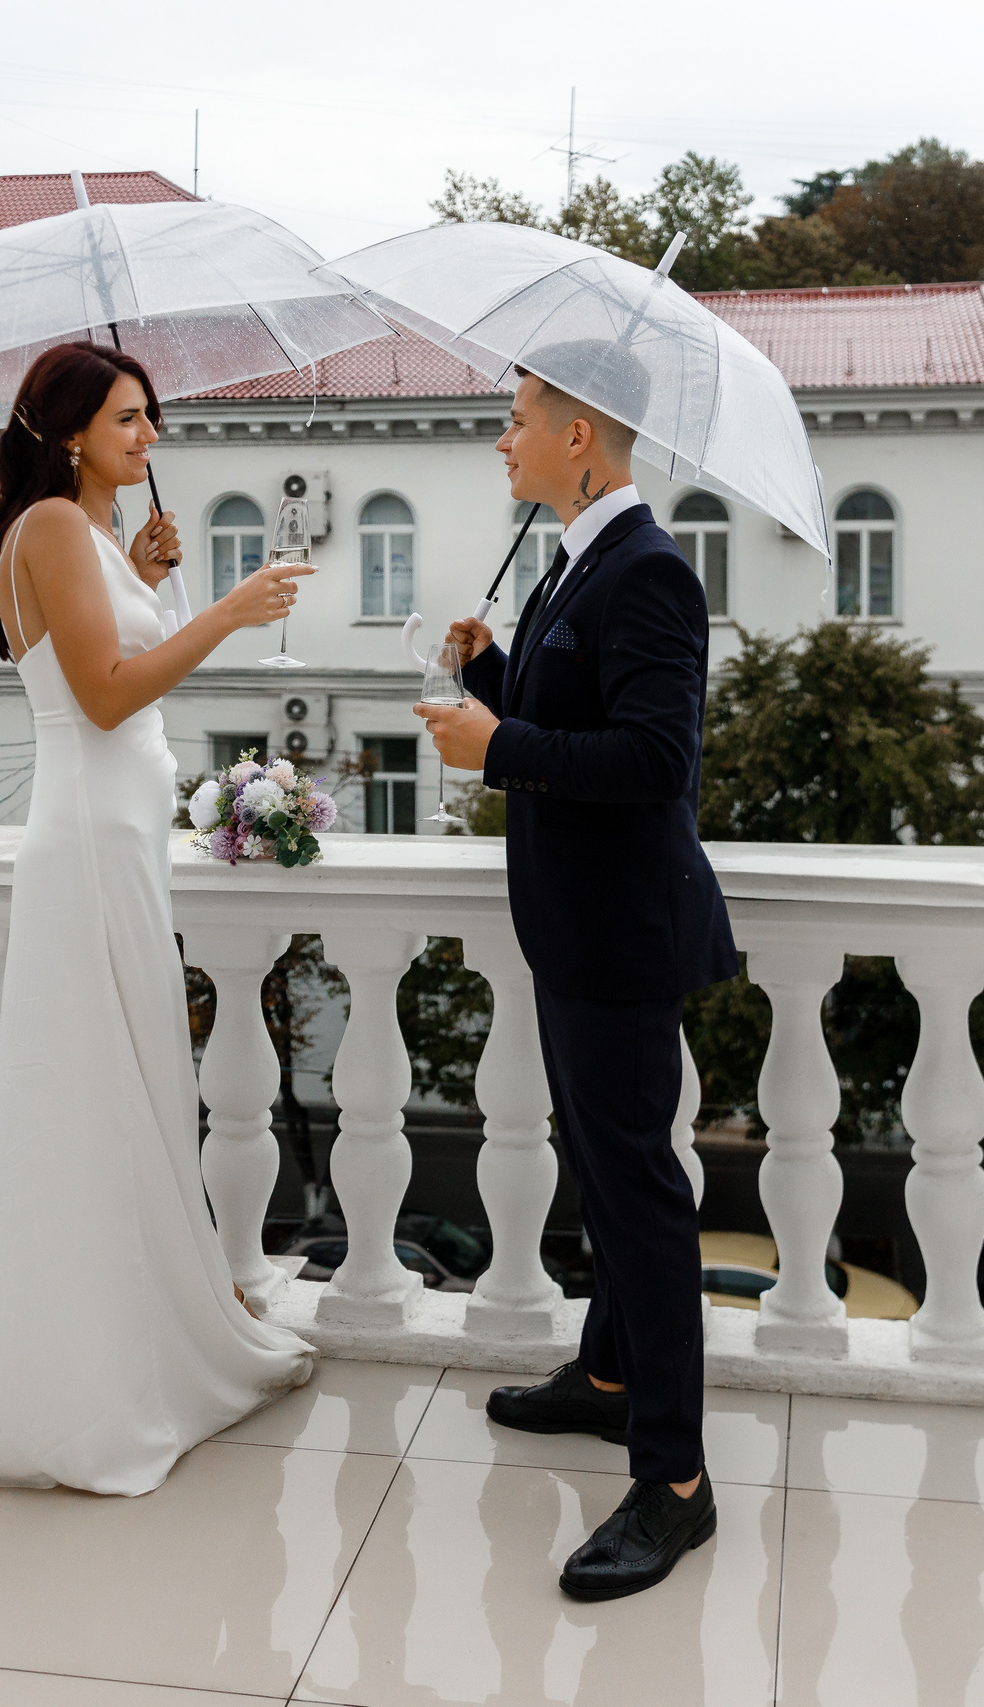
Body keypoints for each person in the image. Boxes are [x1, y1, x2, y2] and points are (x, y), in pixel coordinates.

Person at [0, 341, 318, 1497]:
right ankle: (99, 1386)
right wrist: (231, 613)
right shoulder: (48, 525)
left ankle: (136, 1336)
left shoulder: (77, 534)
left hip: (116, 839)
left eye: (149, 418)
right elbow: (101, 696)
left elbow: (104, 650)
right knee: (109, 1096)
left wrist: (143, 572)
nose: (148, 437)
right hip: (93, 843)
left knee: (133, 1093)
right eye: (128, 419)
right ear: (68, 434)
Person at [414, 350, 738, 1599]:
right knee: (602, 1173)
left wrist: (499, 743)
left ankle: (675, 1482)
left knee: (640, 1198)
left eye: (515, 423)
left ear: (581, 439)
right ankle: (607, 1380)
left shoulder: (648, 570)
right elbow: (578, 719)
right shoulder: (577, 560)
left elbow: (654, 761)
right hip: (573, 927)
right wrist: (495, 673)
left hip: (618, 937)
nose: (503, 442)